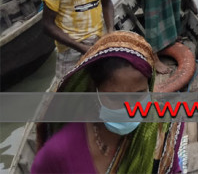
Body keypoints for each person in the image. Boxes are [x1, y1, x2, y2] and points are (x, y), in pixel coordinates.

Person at [32, 31, 184, 174]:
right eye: (115, 98)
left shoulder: (160, 127)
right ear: (94, 92)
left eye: (139, 95)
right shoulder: (58, 153)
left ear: (149, 88)